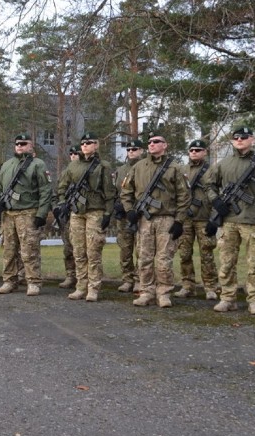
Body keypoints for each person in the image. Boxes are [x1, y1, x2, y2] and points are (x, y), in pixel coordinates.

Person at [205, 126, 255, 315]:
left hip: (253, 221)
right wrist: (216, 200)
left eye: (244, 137)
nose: (239, 140)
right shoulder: (223, 164)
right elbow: (208, 184)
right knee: (226, 261)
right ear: (232, 141)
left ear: (252, 140)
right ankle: (228, 298)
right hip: (229, 220)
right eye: (236, 137)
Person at [120, 130, 189, 308]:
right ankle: (146, 292)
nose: (151, 144)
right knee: (144, 258)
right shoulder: (138, 167)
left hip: (166, 218)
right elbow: (126, 191)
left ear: (164, 145)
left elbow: (184, 195)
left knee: (164, 259)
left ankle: (164, 293)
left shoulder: (175, 167)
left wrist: (179, 220)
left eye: (156, 141)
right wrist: (130, 211)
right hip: (144, 220)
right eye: (149, 142)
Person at [56, 133, 116, 302]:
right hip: (77, 213)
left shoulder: (103, 166)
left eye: (89, 143)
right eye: (83, 143)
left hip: (95, 212)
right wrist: (62, 203)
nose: (85, 145)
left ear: (96, 145)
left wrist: (107, 214)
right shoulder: (73, 166)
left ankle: (93, 288)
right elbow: (62, 186)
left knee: (93, 252)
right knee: (79, 251)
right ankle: (81, 286)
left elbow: (110, 193)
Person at [0, 133, 52, 296]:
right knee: (8, 250)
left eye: (24, 143)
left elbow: (46, 191)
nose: (20, 146)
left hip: (28, 212)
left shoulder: (38, 164)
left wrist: (42, 213)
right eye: (17, 143)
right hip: (8, 214)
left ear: (31, 146)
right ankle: (9, 280)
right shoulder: (7, 165)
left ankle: (33, 282)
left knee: (29, 250)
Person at [174, 139, 219, 300]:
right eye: (192, 150)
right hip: (186, 218)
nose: (194, 152)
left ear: (205, 152)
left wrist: (214, 219)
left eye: (198, 150)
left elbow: (218, 195)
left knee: (207, 254)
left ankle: (211, 287)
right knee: (184, 254)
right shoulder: (181, 169)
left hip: (204, 218)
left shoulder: (212, 170)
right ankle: (187, 286)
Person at [114, 138, 144, 293]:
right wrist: (117, 205)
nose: (131, 152)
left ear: (141, 151)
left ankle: (139, 280)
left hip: (140, 213)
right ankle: (127, 279)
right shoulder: (120, 170)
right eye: (129, 150)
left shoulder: (145, 167)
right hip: (124, 215)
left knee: (141, 248)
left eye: (134, 149)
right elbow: (115, 190)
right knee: (125, 248)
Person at [57, 145, 81, 290]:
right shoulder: (65, 173)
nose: (73, 155)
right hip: (67, 214)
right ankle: (70, 275)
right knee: (68, 248)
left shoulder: (87, 170)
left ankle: (82, 277)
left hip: (81, 213)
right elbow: (58, 191)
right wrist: (59, 206)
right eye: (71, 153)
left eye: (75, 153)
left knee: (82, 248)